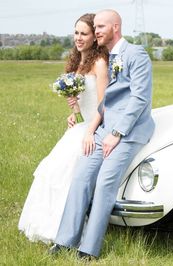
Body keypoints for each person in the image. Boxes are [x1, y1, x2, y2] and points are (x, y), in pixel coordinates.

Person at [49, 9, 155, 259]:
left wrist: (117, 133)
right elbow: (105, 100)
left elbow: (140, 99)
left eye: (100, 27)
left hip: (130, 131)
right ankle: (65, 241)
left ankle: (88, 250)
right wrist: (90, 126)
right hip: (105, 127)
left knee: (106, 181)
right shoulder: (109, 57)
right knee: (81, 177)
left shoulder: (136, 54)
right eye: (94, 27)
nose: (95, 31)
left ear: (115, 27)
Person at [18, 13, 109, 243]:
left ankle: (70, 231)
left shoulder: (99, 64)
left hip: (95, 128)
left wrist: (89, 131)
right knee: (52, 169)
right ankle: (49, 226)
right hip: (81, 126)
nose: (79, 38)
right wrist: (74, 112)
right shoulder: (77, 63)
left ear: (94, 38)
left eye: (84, 34)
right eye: (76, 33)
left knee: (68, 172)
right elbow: (83, 105)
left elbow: (103, 105)